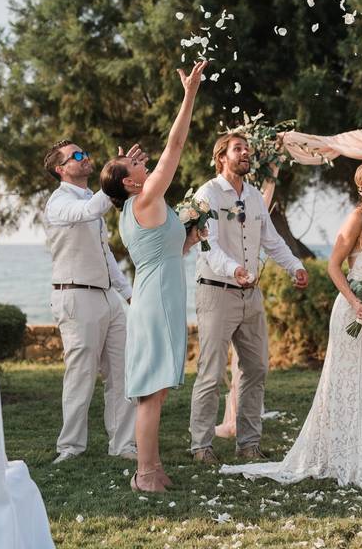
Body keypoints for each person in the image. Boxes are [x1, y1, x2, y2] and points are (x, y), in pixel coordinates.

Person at [221, 160, 362, 487]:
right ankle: (345, 456)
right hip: (352, 311)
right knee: (348, 383)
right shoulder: (357, 217)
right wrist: (355, 300)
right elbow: (335, 266)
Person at [100, 59, 209, 492]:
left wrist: (187, 240)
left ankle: (153, 466)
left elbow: (163, 254)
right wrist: (189, 95)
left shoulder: (134, 208)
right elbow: (176, 145)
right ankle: (144, 474)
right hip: (155, 301)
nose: (146, 168)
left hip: (155, 293)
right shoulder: (144, 199)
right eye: (136, 170)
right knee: (150, 391)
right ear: (129, 184)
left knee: (156, 390)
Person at [188, 133, 308, 465]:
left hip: (250, 296)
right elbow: (207, 244)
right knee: (211, 373)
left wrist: (294, 266)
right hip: (216, 292)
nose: (246, 153)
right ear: (220, 157)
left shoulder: (254, 196)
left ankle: (249, 443)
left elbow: (271, 239)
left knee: (256, 368)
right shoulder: (207, 194)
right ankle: (201, 446)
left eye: (246, 149)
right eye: (237, 149)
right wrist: (235, 269)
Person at [43, 141, 146, 464]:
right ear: (60, 169)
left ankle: (123, 443)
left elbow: (105, 255)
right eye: (74, 156)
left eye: (83, 152)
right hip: (75, 295)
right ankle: (70, 447)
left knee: (123, 372)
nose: (84, 157)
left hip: (107, 297)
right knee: (81, 374)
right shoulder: (59, 202)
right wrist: (118, 175)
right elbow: (88, 212)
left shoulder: (90, 198)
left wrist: (128, 294)